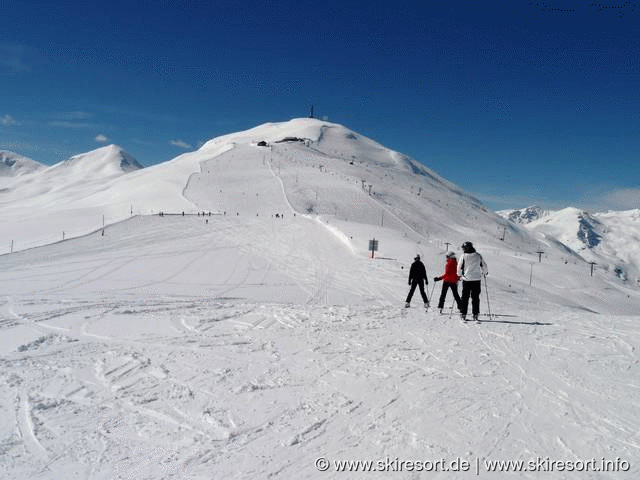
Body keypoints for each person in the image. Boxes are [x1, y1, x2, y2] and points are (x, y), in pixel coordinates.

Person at [457, 241, 488, 321]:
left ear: (466, 248)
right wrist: (485, 272)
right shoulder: (478, 256)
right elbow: (484, 266)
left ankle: (463, 314)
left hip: (467, 280)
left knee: (465, 297)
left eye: (463, 248)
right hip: (476, 280)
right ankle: (475, 314)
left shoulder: (463, 256)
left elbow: (459, 267)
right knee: (475, 297)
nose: (463, 249)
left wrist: (459, 275)